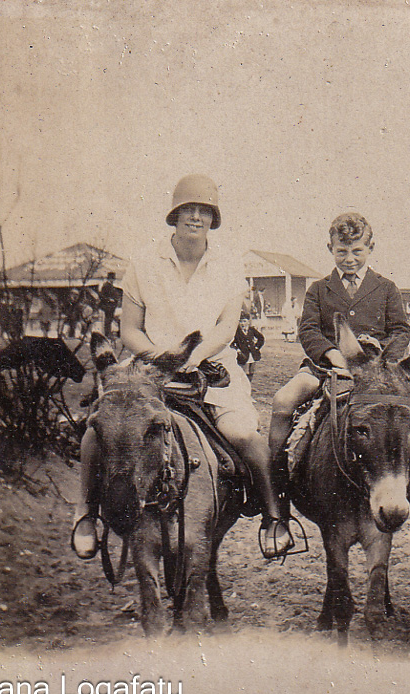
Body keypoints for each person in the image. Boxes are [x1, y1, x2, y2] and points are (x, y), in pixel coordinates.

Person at [71, 174, 293, 561]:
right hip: (148, 371)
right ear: (174, 215)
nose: (196, 217)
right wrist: (162, 360)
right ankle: (85, 515)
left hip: (210, 368)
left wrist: (194, 356)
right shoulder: (144, 262)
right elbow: (129, 330)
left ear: (213, 219)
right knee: (97, 431)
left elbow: (227, 326)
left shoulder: (227, 264)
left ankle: (273, 517)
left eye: (204, 211)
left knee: (247, 437)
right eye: (188, 210)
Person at [268, 213, 410, 493]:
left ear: (370, 248)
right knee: (283, 400)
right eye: (342, 251)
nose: (349, 259)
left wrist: (381, 358)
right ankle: (278, 488)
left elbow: (401, 330)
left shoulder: (386, 288)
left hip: (377, 371)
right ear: (330, 249)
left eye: (357, 251)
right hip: (326, 368)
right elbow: (309, 330)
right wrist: (333, 355)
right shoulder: (318, 289)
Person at [231, 311, 265, 381]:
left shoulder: (251, 330)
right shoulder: (236, 332)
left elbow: (261, 338)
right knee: (244, 373)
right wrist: (237, 349)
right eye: (240, 321)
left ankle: (249, 384)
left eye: (244, 321)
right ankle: (243, 387)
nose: (242, 323)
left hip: (252, 354)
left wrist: (256, 347)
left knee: (251, 372)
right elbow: (231, 343)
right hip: (243, 355)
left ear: (248, 322)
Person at [98, 272, 122, 337]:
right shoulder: (106, 285)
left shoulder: (111, 285)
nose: (113, 280)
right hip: (107, 306)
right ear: (109, 279)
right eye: (112, 279)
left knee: (110, 320)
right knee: (108, 321)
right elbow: (101, 296)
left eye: (113, 279)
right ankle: (107, 334)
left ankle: (108, 333)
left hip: (111, 307)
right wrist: (109, 299)